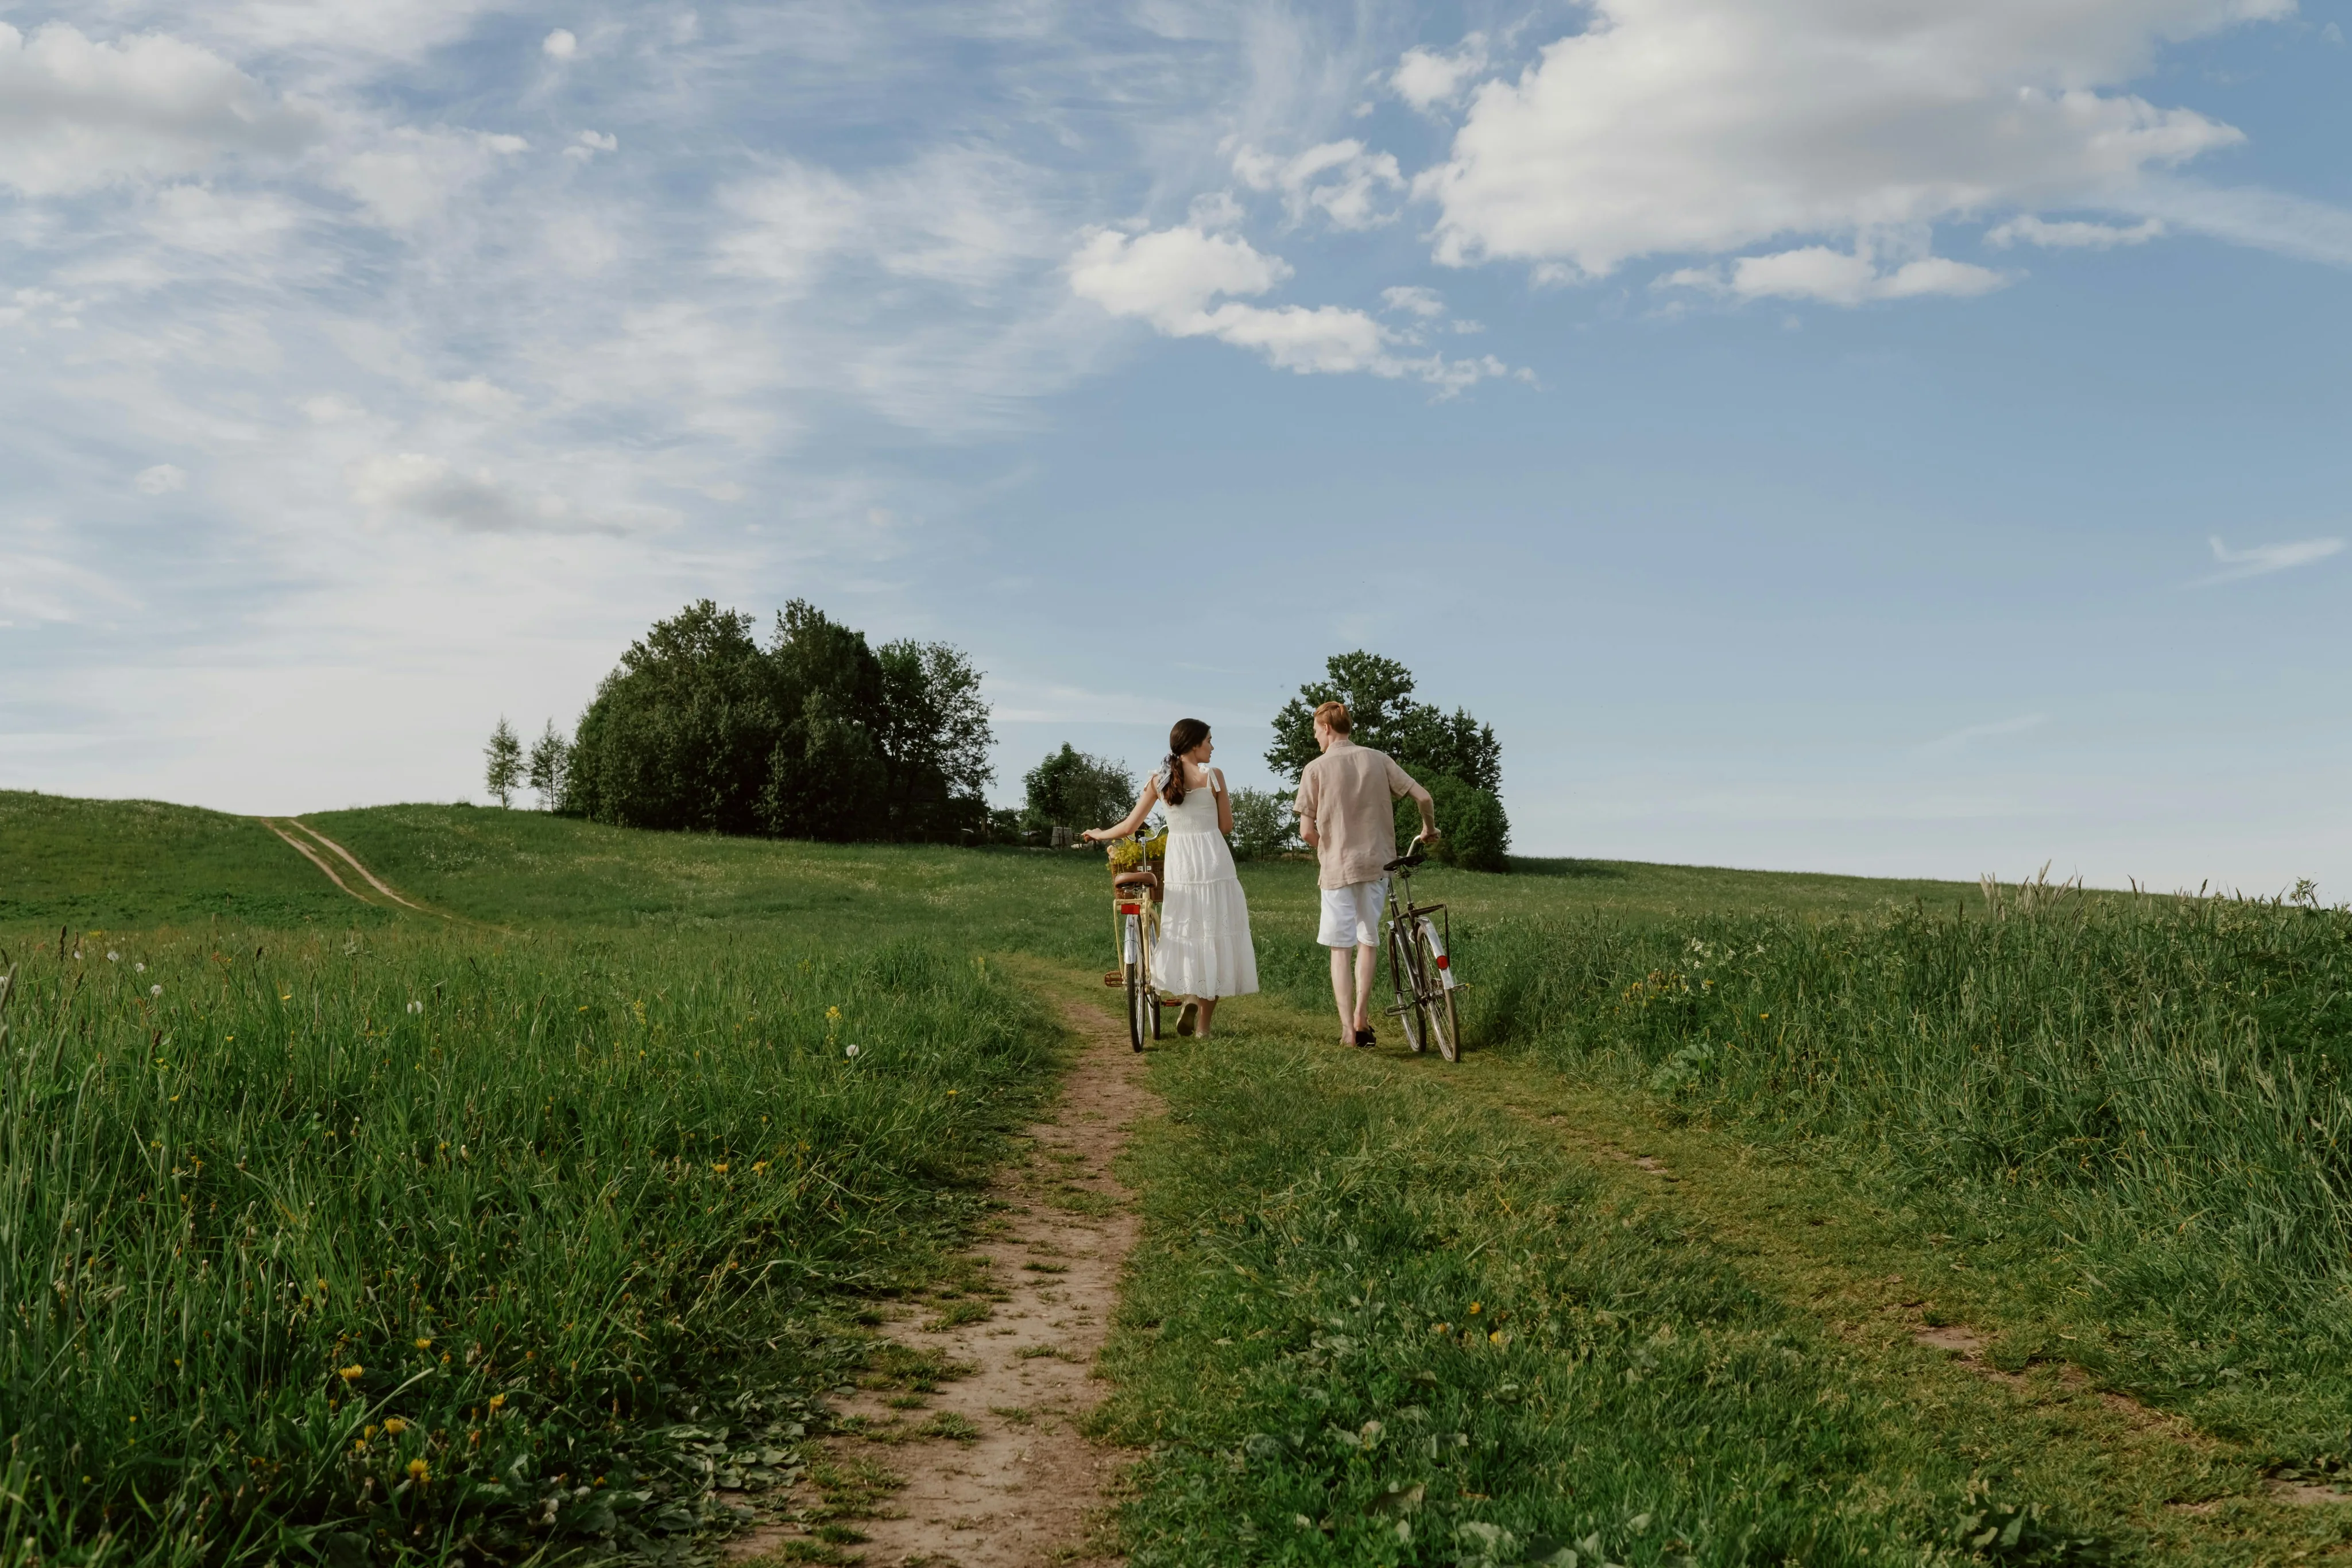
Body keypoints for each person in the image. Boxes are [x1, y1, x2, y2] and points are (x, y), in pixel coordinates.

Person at [1084, 718, 1258, 1038]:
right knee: (1215, 936)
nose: (1212, 747)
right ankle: (1203, 1026)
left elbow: (1128, 827)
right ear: (1194, 744)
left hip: (1182, 865)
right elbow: (1226, 827)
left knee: (1186, 932)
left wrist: (1099, 834)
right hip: (1215, 863)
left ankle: (1189, 994)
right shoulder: (1214, 777)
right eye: (1209, 741)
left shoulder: (1158, 779)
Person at [1294, 700, 1437, 1047]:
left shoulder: (1315, 769)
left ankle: (1347, 1031)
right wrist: (1428, 828)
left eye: (1316, 731)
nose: (1316, 738)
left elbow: (1306, 831)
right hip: (1377, 866)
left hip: (1338, 869)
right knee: (1367, 939)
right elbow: (1423, 797)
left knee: (1340, 948)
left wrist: (1325, 850)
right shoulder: (1378, 759)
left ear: (1327, 728)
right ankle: (1362, 1018)